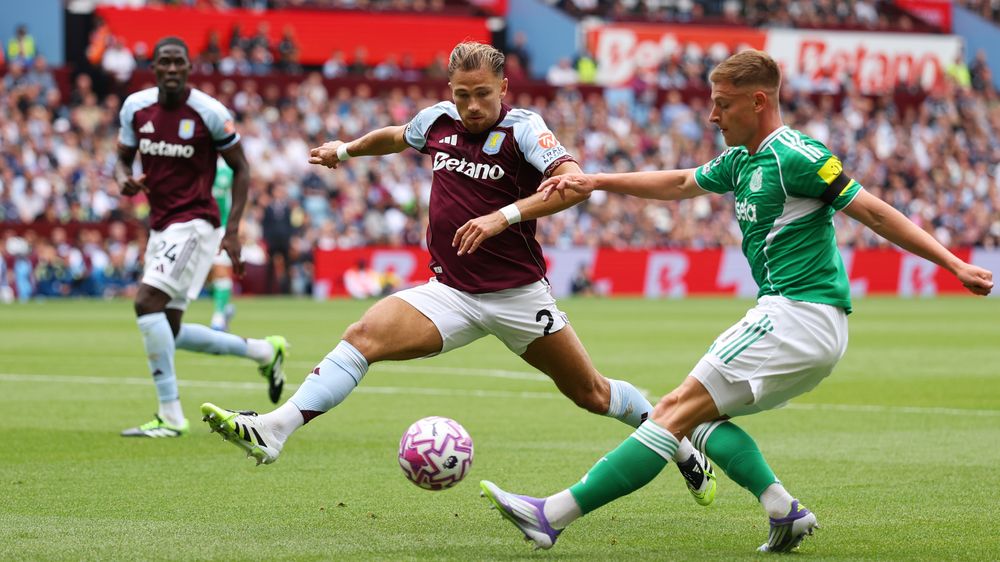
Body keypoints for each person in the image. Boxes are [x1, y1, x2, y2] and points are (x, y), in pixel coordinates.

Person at [478, 49, 994, 553]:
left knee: (673, 411)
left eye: (723, 103)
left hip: (796, 315)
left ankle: (552, 515)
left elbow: (876, 214)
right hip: (800, 321)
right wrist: (596, 180)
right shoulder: (741, 160)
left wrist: (953, 263)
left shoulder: (797, 155)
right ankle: (782, 509)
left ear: (759, 102)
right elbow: (681, 182)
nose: (712, 114)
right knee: (697, 420)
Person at [199, 43, 715, 501]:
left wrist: (504, 216)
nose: (471, 106)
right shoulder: (439, 120)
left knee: (592, 395)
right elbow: (398, 137)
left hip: (515, 295)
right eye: (463, 93)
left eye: (482, 95)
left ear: (504, 89)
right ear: (451, 89)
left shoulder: (525, 129)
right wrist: (347, 149)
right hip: (449, 291)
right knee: (363, 336)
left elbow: (574, 183)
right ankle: (275, 429)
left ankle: (677, 440)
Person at [114, 37, 289, 438]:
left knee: (146, 303)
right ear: (154, 66)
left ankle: (170, 415)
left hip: (195, 221)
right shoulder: (135, 109)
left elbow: (241, 169)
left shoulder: (210, 112)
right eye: (164, 62)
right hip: (161, 224)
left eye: (179, 63)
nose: (172, 69)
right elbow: (122, 159)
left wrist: (233, 230)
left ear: (189, 68)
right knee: (168, 328)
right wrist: (124, 179)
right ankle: (264, 350)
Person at [208, 156, 236, 331]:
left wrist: (237, 224)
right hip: (197, 227)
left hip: (221, 229)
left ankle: (218, 316)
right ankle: (224, 308)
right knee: (207, 277)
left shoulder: (228, 168)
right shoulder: (194, 163)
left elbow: (240, 195)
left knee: (221, 270)